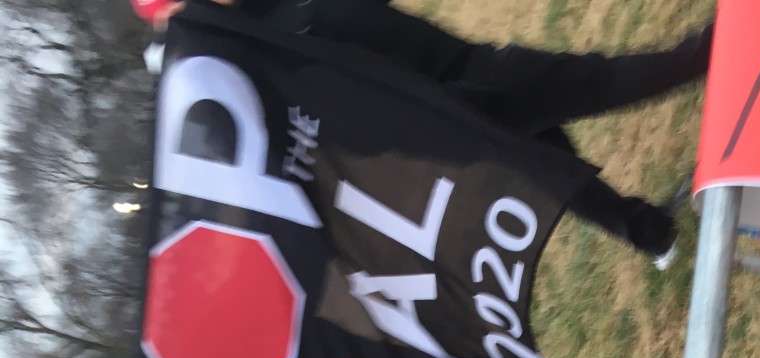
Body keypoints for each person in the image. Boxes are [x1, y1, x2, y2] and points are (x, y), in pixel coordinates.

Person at [141, 0, 715, 268]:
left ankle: (649, 234)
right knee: (594, 83)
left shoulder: (272, 17)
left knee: (546, 156)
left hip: (455, 68)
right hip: (456, 99)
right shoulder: (265, 65)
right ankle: (709, 53)